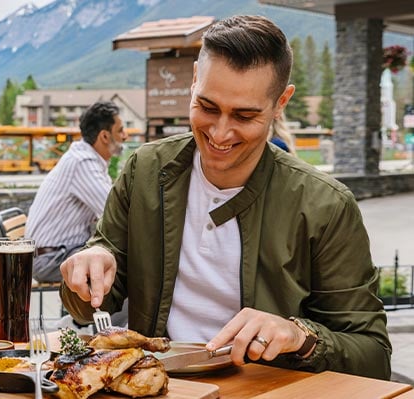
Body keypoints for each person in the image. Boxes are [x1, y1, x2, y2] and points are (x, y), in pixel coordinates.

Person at [60, 15, 391, 380]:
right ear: (193, 82)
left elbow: (372, 355)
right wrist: (87, 268)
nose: (219, 133)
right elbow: (89, 305)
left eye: (245, 115)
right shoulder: (146, 170)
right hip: (158, 385)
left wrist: (301, 336)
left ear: (281, 102)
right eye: (208, 107)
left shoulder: (326, 205)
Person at [26, 101, 128, 283]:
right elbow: (117, 212)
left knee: (118, 255)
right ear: (104, 136)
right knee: (124, 263)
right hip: (50, 259)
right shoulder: (83, 163)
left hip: (56, 252)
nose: (125, 136)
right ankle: (111, 312)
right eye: (120, 130)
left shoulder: (86, 159)